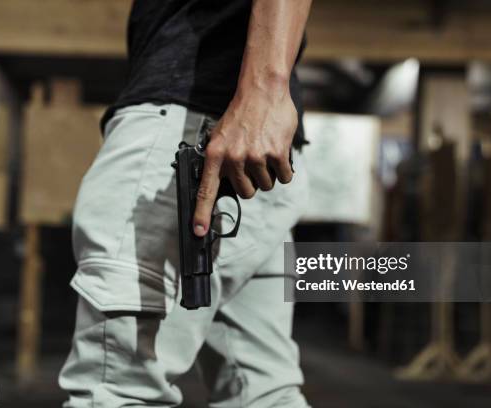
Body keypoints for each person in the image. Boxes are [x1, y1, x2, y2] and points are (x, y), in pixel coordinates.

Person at [59, 0, 312, 406]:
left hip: (193, 137)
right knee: (263, 393)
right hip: (247, 156)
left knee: (115, 388)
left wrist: (263, 91)